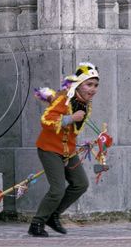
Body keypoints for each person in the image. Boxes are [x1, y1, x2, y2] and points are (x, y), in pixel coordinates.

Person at [29, 62, 99, 237]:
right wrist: (69, 118)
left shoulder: (85, 104)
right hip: (49, 149)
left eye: (96, 85)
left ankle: (53, 215)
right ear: (78, 84)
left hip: (68, 150)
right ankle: (37, 223)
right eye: (89, 84)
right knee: (57, 189)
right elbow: (46, 120)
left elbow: (73, 131)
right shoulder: (64, 99)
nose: (93, 89)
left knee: (81, 184)